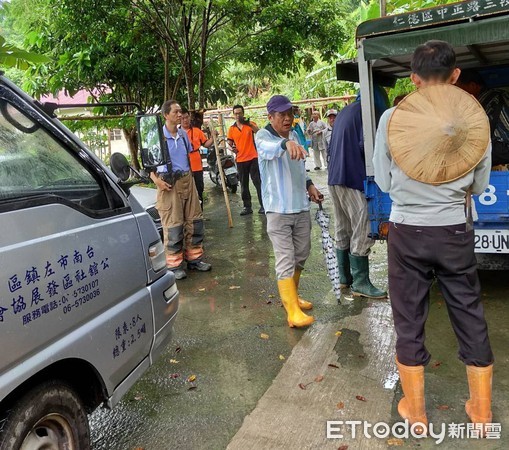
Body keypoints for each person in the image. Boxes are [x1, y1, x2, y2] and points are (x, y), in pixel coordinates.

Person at [373, 40, 494, 435]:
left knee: (408, 318)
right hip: (455, 230)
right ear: (456, 75)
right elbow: (478, 186)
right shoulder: (474, 121)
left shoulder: (392, 118)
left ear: (413, 79)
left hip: (407, 231)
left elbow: (384, 180)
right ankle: (480, 412)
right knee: (469, 313)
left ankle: (418, 413)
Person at [255, 95, 323, 328]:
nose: (287, 118)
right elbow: (268, 149)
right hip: (278, 210)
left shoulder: (295, 135)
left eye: (290, 114)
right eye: (282, 115)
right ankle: (292, 311)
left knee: (302, 254)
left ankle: (294, 297)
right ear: (270, 117)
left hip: (300, 207)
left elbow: (299, 169)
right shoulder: (263, 136)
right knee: (285, 258)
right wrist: (285, 144)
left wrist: (310, 185)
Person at [327, 94, 387, 299]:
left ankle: (344, 278)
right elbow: (366, 146)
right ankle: (361, 282)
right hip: (351, 177)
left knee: (343, 226)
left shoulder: (345, 111)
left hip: (335, 177)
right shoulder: (365, 113)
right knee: (363, 226)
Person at [150, 100, 212, 280]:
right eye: (176, 112)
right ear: (165, 115)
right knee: (174, 224)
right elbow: (149, 167)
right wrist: (157, 182)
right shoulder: (157, 137)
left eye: (180, 112)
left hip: (187, 179)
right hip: (168, 184)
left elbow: (188, 156)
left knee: (195, 220)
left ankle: (195, 259)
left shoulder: (183, 135)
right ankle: (174, 265)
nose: (180, 115)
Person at [456, 69, 509, 167]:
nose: (458, 95)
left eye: (460, 89)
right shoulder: (499, 94)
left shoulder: (485, 100)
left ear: (473, 86)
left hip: (501, 147)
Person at [227, 104, 264, 215]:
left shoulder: (250, 124)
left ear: (243, 113)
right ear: (233, 115)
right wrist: (232, 148)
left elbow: (259, 132)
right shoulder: (232, 129)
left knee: (258, 182)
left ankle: (264, 205)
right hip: (240, 159)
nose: (238, 115)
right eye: (236, 113)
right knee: (244, 184)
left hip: (253, 157)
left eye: (240, 113)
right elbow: (229, 143)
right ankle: (247, 207)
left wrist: (248, 123)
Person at [180, 107, 214, 208]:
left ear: (189, 117)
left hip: (197, 165)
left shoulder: (197, 131)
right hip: (183, 167)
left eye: (186, 117)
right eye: (182, 118)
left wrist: (213, 138)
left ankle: (200, 213)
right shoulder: (177, 133)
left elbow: (206, 144)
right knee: (186, 192)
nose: (185, 120)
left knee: (199, 189)